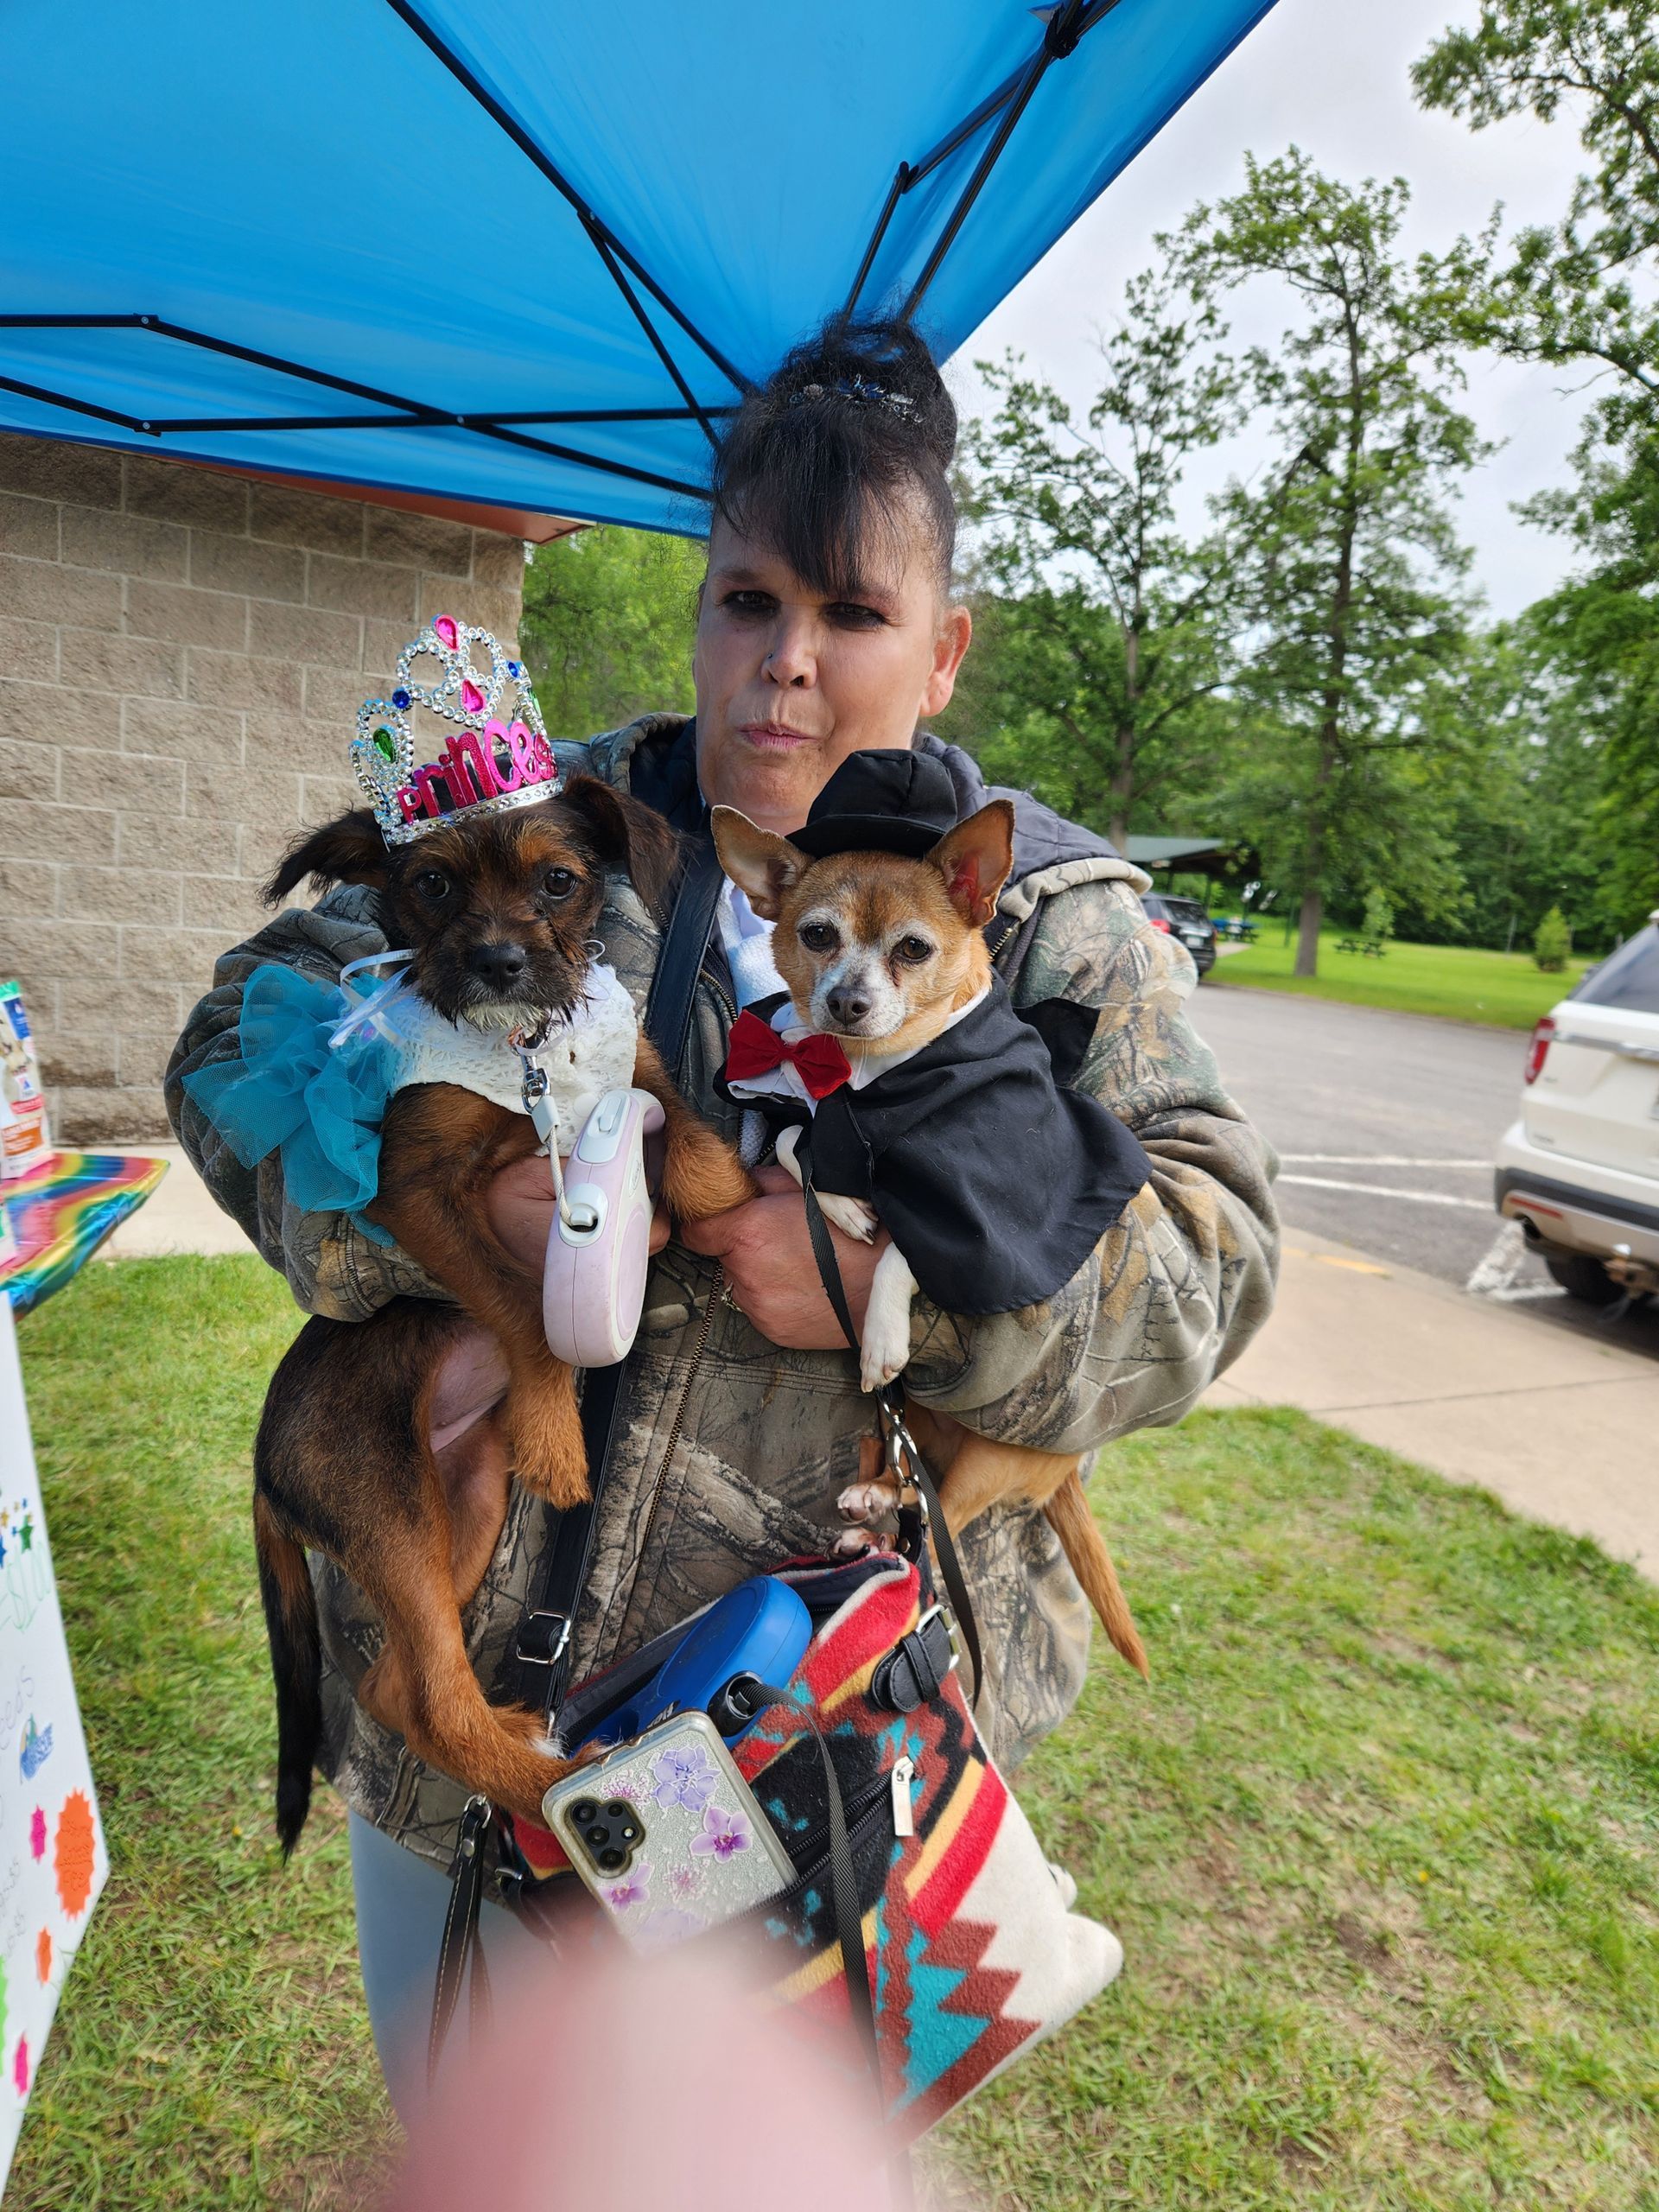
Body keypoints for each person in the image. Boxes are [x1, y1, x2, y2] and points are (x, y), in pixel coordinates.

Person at [167, 318, 1278, 2111]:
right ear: (699, 601)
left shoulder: (1052, 910)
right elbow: (234, 1040)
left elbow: (1218, 1260)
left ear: (945, 642)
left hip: (824, 1748)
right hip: (483, 1730)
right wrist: (424, 1210)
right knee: (481, 2143)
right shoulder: (543, 814)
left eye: (851, 614)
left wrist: (891, 1291)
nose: (784, 663)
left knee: (764, 2152)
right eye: (748, 599)